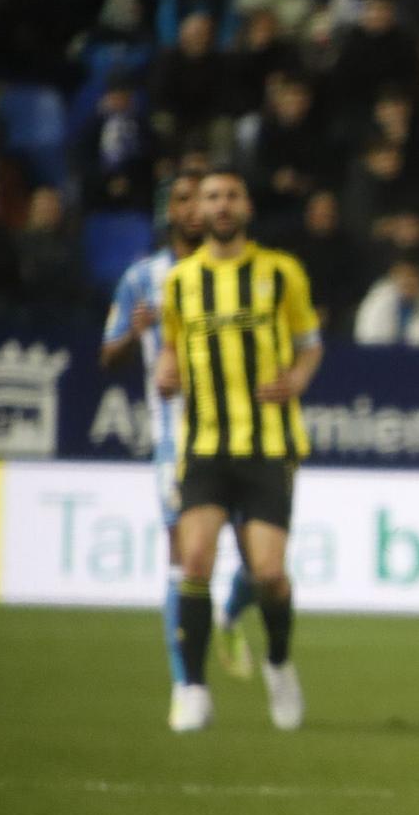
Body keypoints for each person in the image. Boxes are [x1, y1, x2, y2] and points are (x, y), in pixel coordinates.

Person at [153, 170, 322, 735]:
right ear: (195, 212)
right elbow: (172, 353)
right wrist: (166, 370)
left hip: (267, 445)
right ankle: (193, 689)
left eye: (230, 195)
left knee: (270, 574)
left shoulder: (280, 273)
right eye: (211, 198)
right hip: (202, 447)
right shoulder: (179, 282)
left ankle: (277, 663)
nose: (221, 206)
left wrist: (296, 380)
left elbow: (309, 344)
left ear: (247, 204)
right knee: (194, 561)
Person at [101, 172, 262, 722]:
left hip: (244, 433)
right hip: (179, 440)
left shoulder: (248, 274)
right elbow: (108, 355)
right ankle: (186, 687)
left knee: (260, 561)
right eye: (184, 200)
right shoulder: (143, 278)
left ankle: (228, 616)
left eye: (206, 198)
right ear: (170, 212)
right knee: (184, 557)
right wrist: (136, 333)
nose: (195, 209)